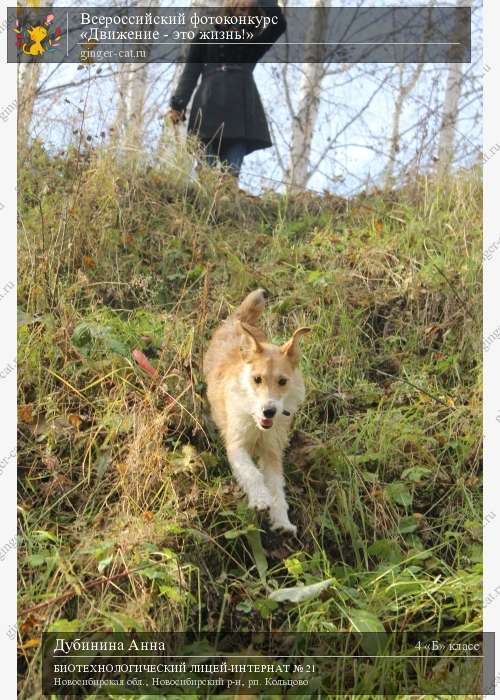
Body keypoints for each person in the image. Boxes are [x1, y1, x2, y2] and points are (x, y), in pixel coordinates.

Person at [168, 0, 286, 178]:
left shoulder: (253, 44)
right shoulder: (204, 38)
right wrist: (177, 105)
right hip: (207, 109)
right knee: (206, 175)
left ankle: (227, 199)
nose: (242, 14)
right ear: (229, 9)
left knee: (230, 177)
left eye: (247, 10)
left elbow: (278, 25)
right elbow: (190, 73)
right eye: (239, 8)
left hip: (241, 113)